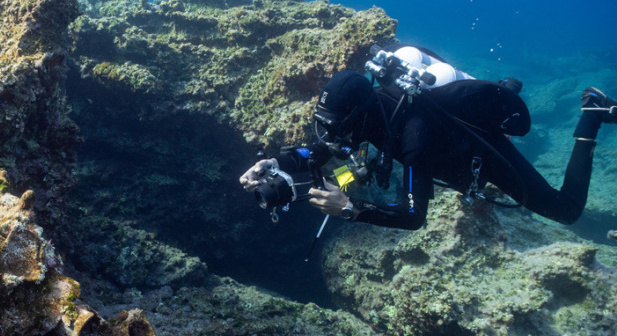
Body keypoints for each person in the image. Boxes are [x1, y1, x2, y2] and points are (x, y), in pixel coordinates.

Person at [240, 44, 617, 230]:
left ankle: (592, 115)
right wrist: (276, 163)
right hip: (444, 140)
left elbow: (413, 215)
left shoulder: (413, 136)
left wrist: (351, 208)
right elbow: (321, 149)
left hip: (480, 153)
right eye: (325, 123)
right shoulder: (366, 115)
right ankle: (506, 86)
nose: (329, 134)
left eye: (335, 125)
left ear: (356, 115)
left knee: (565, 210)